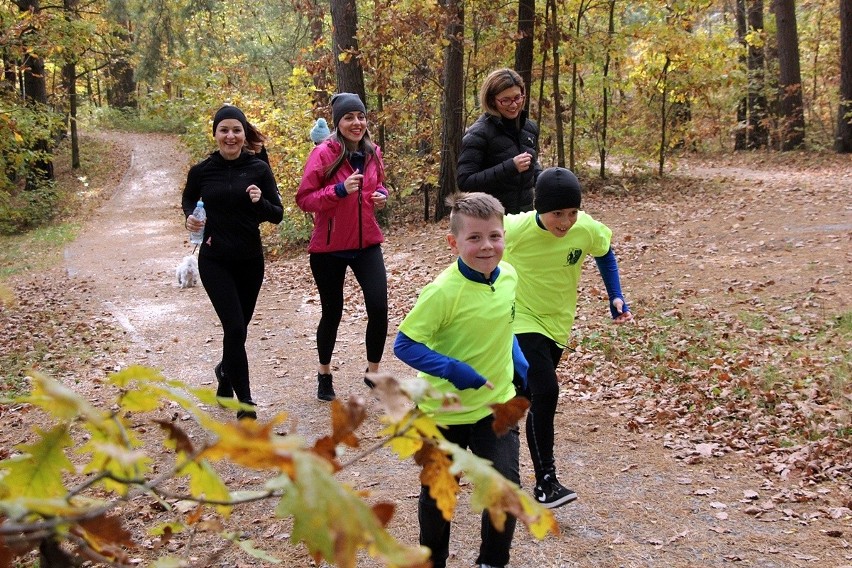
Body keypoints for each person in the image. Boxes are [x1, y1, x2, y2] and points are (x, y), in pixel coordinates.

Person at [394, 192, 528, 568]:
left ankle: (492, 561)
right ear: (453, 243)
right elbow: (405, 345)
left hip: (495, 406)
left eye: (495, 236)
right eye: (474, 238)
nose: (487, 246)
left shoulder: (510, 277)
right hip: (442, 412)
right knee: (440, 494)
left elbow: (506, 325)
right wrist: (454, 369)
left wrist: (522, 365)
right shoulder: (443, 291)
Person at [503, 166, 633, 508]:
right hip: (520, 319)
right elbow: (476, 240)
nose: (565, 221)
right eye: (557, 213)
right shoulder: (515, 228)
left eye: (572, 212)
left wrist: (615, 295)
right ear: (538, 207)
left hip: (558, 324)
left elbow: (604, 252)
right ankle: (546, 482)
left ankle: (478, 442)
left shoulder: (584, 227)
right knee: (544, 391)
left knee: (516, 397)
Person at [182, 105, 284, 420]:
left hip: (250, 261)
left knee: (237, 333)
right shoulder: (202, 171)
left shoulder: (258, 169)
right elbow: (188, 199)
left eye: (236, 130)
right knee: (234, 326)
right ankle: (246, 403)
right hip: (214, 260)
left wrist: (259, 201)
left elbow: (276, 214)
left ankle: (225, 374)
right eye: (224, 130)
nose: (230, 136)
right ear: (215, 134)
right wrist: (190, 218)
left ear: (243, 134)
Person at [296, 93, 389, 402]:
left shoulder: (373, 152)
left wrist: (382, 195)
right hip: (329, 248)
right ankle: (324, 374)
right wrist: (338, 190)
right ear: (338, 123)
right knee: (332, 312)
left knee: (378, 307)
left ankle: (373, 373)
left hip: (366, 244)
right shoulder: (324, 154)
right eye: (349, 118)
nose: (357, 123)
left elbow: (380, 185)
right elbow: (305, 199)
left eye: (361, 116)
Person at [457, 68, 542, 214]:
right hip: (491, 219)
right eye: (505, 100)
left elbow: (531, 168)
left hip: (524, 218)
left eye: (517, 97)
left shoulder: (529, 128)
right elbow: (465, 182)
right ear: (492, 100)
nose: (514, 105)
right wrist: (510, 167)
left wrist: (550, 179)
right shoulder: (478, 133)